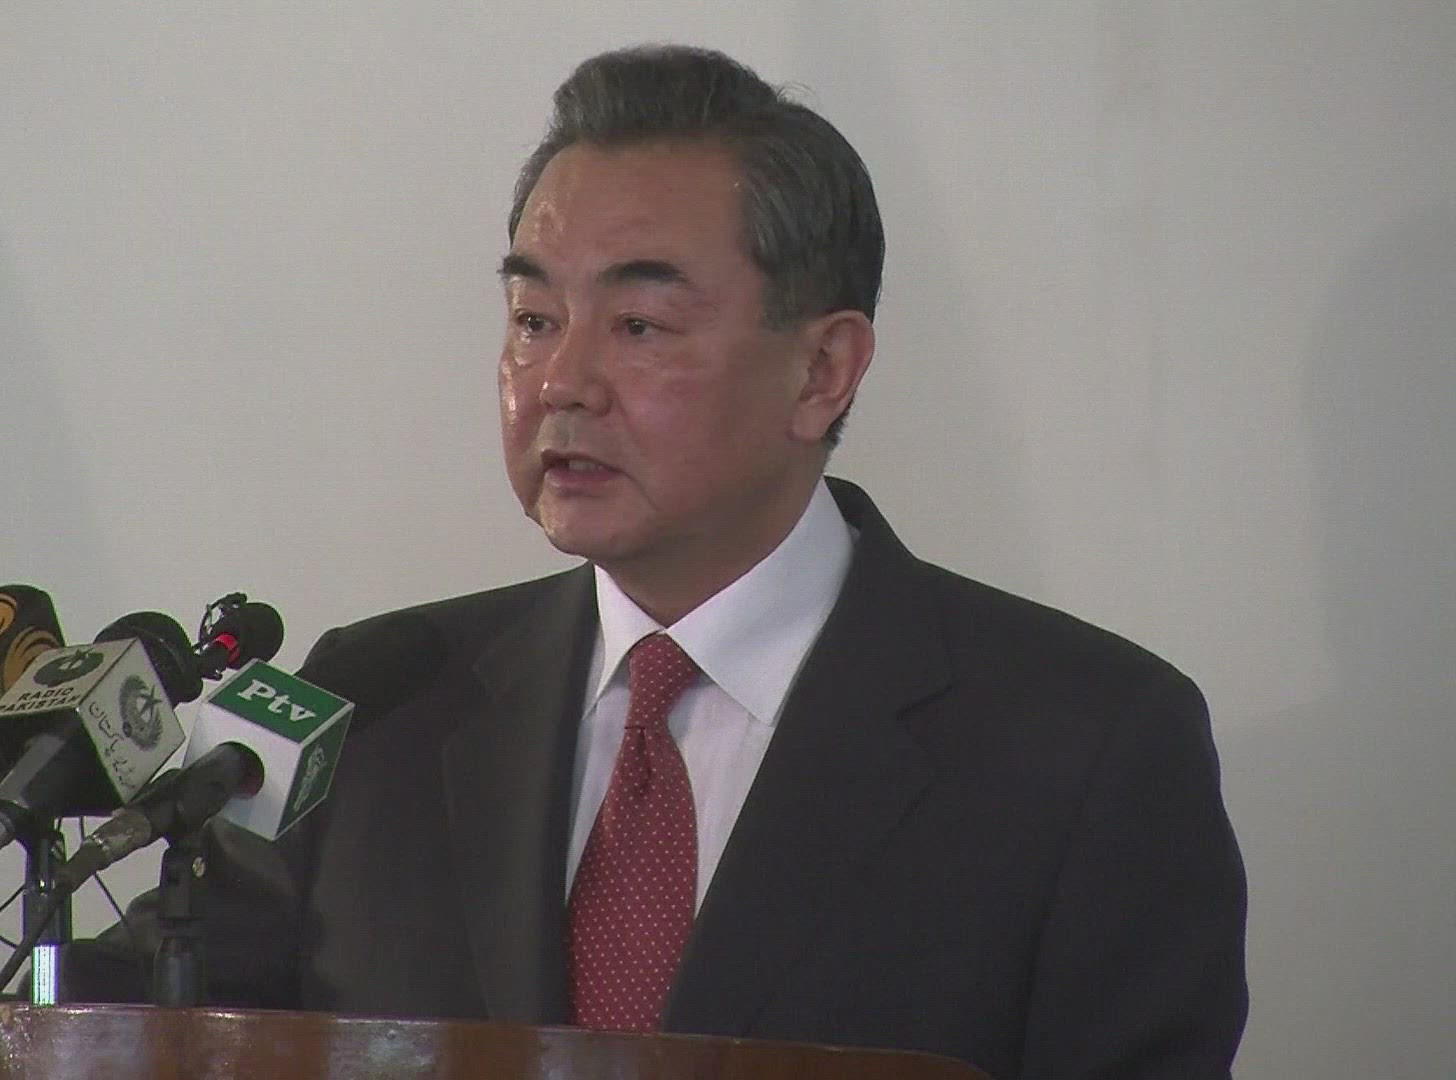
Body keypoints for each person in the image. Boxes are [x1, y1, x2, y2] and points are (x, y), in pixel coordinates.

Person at [104, 43, 1247, 1080]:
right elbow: (125, 1029)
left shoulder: (1085, 744)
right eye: (533, 320)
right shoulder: (373, 705)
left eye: (639, 326)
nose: (561, 383)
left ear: (823, 372)